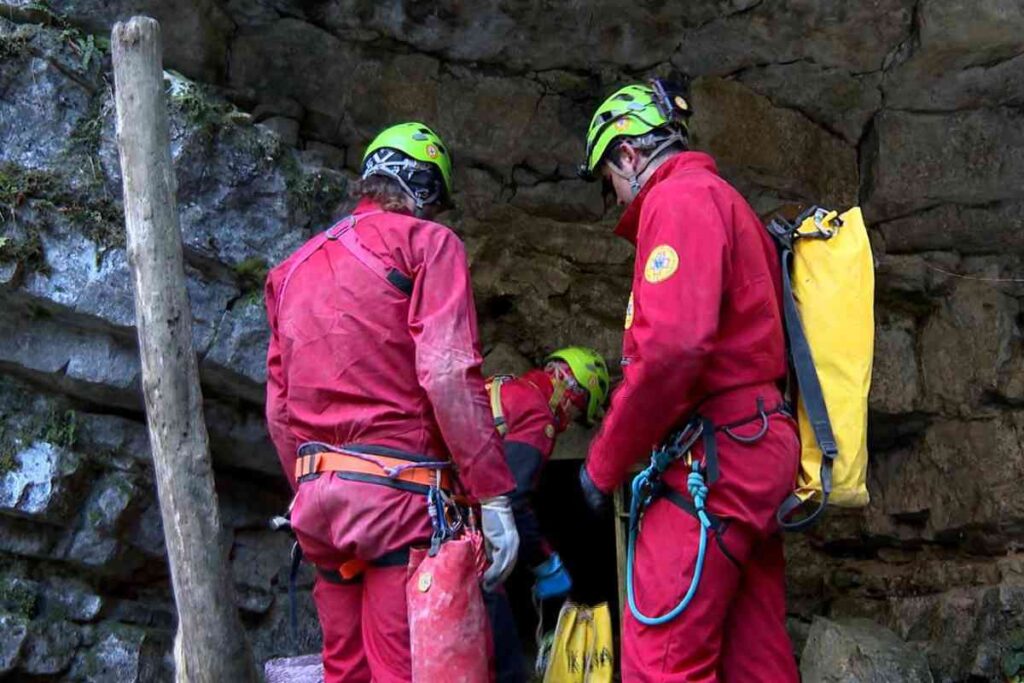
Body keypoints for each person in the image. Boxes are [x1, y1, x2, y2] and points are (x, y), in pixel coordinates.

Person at [264, 122, 519, 683]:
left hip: (318, 511)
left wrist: (313, 488)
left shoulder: (289, 272)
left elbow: (279, 413)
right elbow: (447, 374)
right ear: (426, 192)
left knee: (344, 673)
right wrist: (494, 496)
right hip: (396, 507)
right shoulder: (428, 245)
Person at [576, 81, 801, 682]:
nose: (615, 197)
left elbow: (672, 349)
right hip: (753, 447)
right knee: (753, 657)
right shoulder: (724, 201)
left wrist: (603, 465)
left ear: (627, 155)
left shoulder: (679, 200)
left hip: (712, 459)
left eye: (608, 182)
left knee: (663, 660)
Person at [484, 347, 611, 683]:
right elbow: (512, 499)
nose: (568, 422)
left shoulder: (502, 389)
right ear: (570, 390)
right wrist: (544, 562)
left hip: (431, 517)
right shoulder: (537, 414)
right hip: (465, 543)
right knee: (506, 665)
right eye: (577, 409)